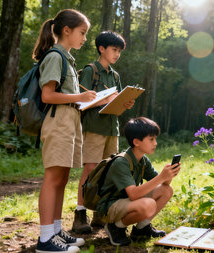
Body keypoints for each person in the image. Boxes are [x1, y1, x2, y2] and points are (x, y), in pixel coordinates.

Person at [33, 9, 96, 253]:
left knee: (62, 178)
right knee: (52, 178)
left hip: (70, 120)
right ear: (67, 30)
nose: (84, 38)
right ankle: (45, 238)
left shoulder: (67, 59)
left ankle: (56, 230)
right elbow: (48, 95)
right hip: (58, 121)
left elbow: (70, 97)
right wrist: (80, 95)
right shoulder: (55, 56)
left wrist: (90, 99)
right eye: (82, 33)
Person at [72, 31, 135, 234]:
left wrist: (125, 104)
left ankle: (100, 211)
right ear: (102, 48)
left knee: (107, 172)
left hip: (112, 128)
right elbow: (81, 101)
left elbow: (113, 105)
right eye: (114, 50)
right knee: (91, 169)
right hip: (93, 128)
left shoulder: (115, 75)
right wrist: (104, 100)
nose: (117, 54)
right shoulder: (91, 70)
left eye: (120, 51)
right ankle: (80, 213)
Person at [98, 117, 180, 246]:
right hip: (109, 206)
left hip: (125, 202)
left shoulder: (143, 160)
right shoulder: (121, 162)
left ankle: (141, 228)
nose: (155, 143)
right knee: (148, 204)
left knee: (166, 190)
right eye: (151, 139)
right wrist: (161, 177)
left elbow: (162, 184)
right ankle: (115, 227)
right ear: (136, 142)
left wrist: (168, 176)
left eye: (155, 139)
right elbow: (134, 194)